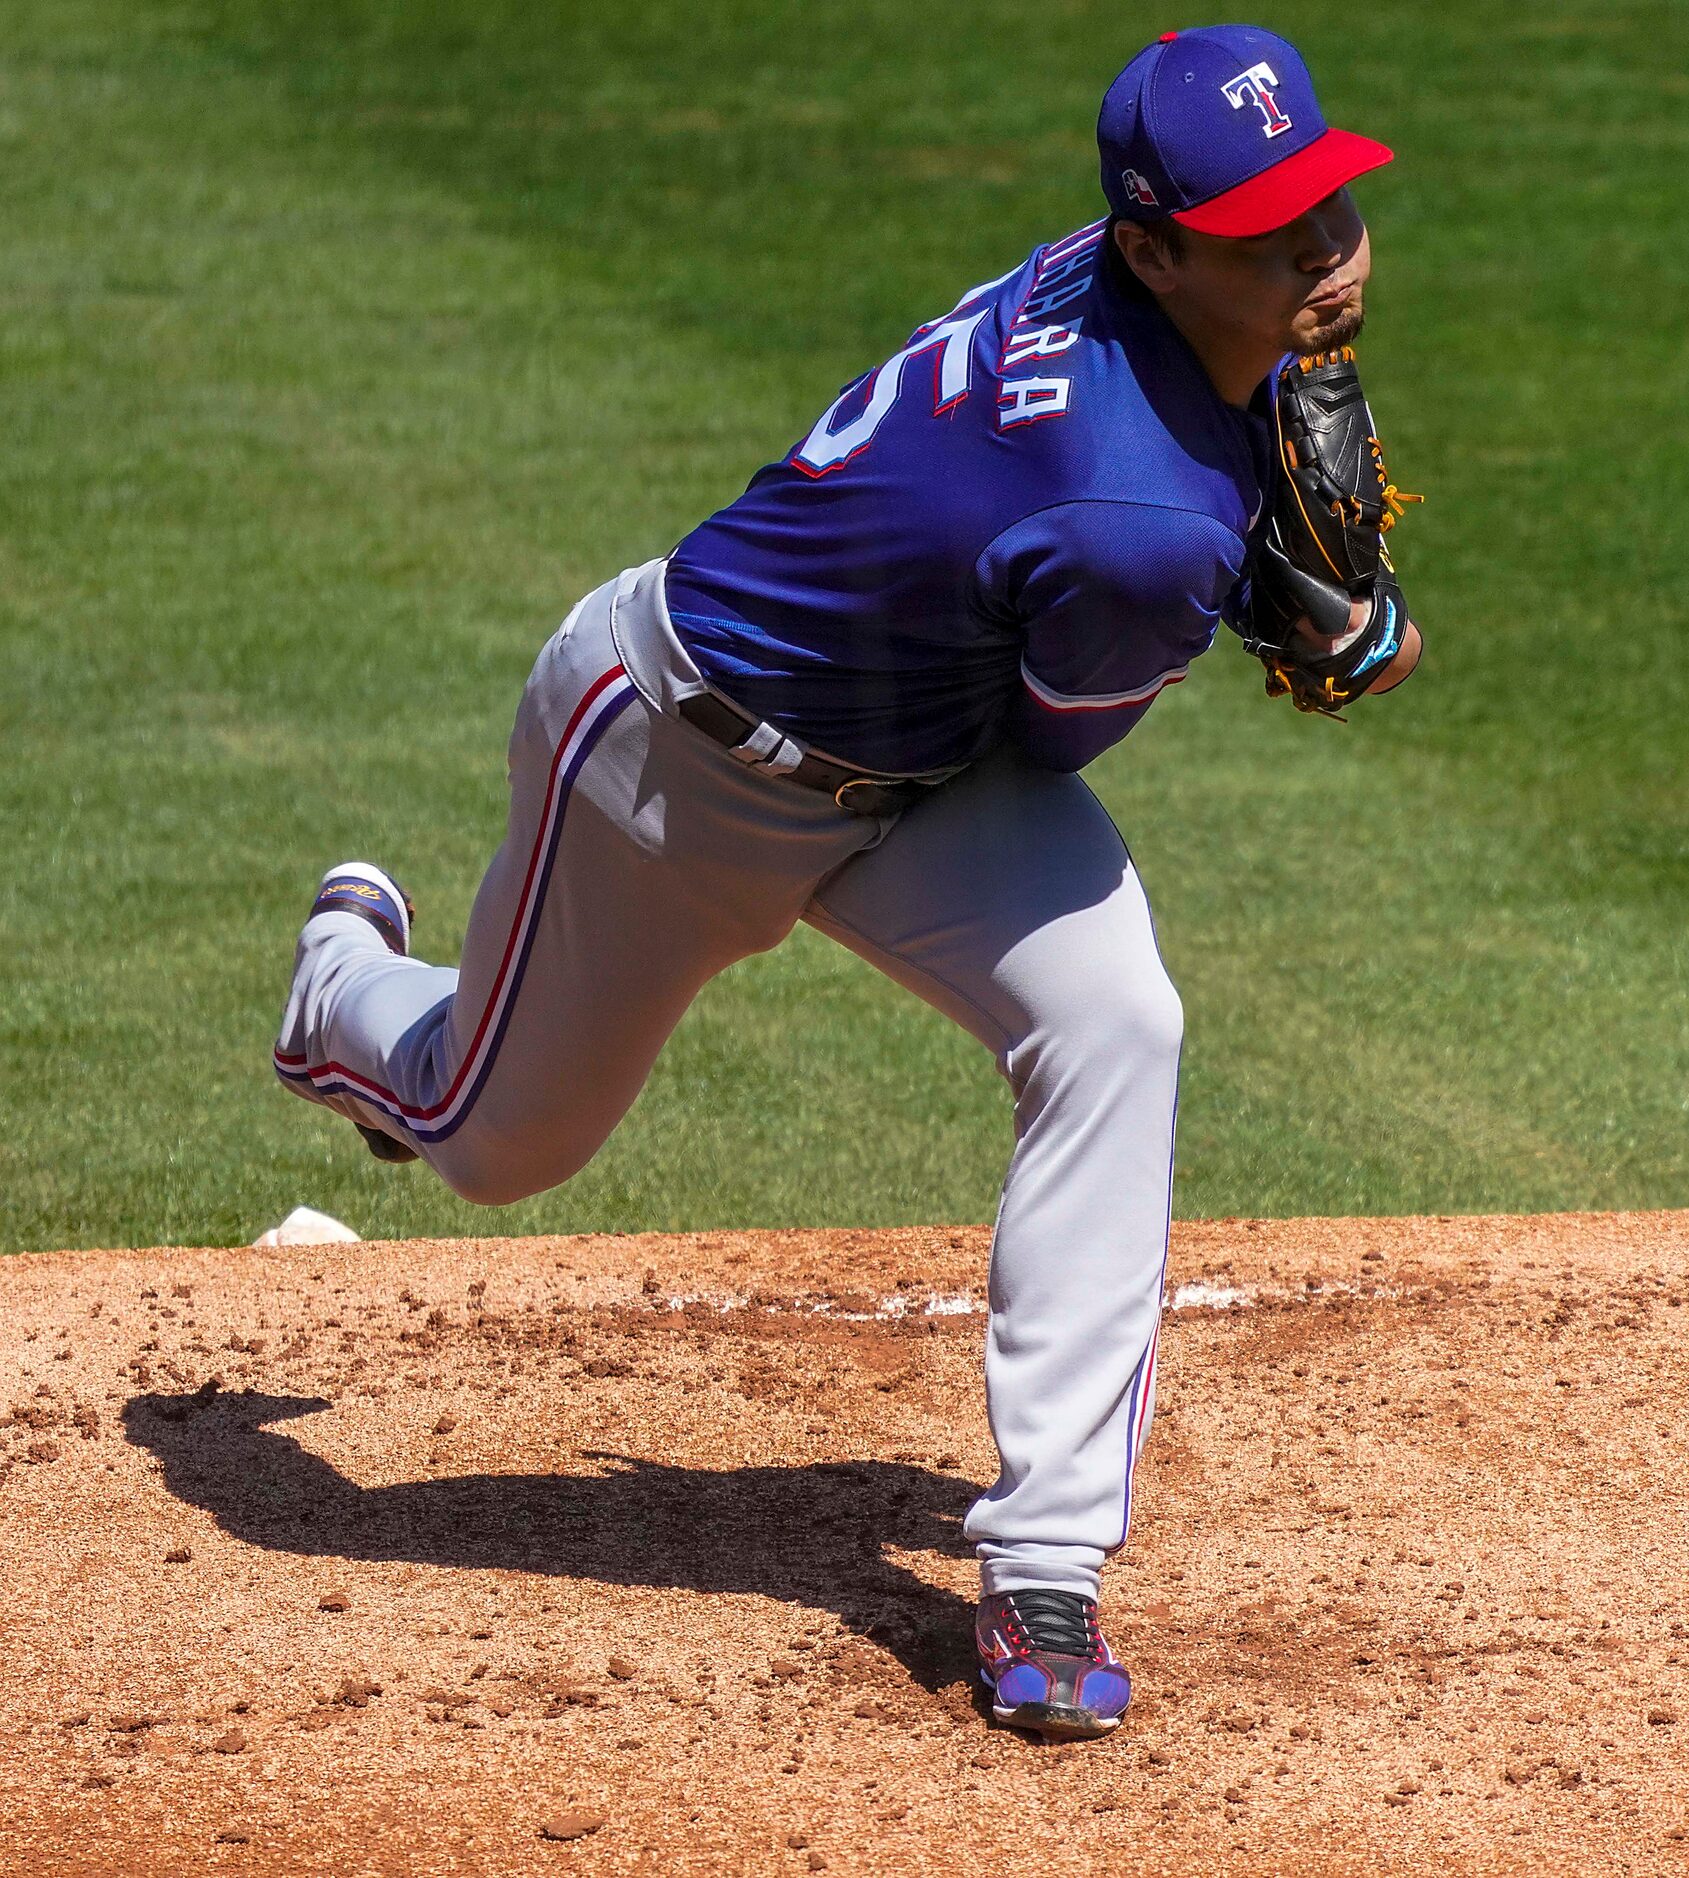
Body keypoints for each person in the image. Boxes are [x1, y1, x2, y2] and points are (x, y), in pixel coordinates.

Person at [268, 23, 1421, 1740]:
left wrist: (1257, 545)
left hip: (917, 761)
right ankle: (342, 984)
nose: (1324, 254)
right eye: (1273, 234)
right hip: (675, 755)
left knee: (1116, 1021)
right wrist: (1284, 609)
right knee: (494, 1140)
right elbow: (1063, 730)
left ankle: (1044, 1559)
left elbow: (1088, 558)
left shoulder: (1115, 293)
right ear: (1154, 245)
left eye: (1331, 206)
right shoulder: (1134, 522)